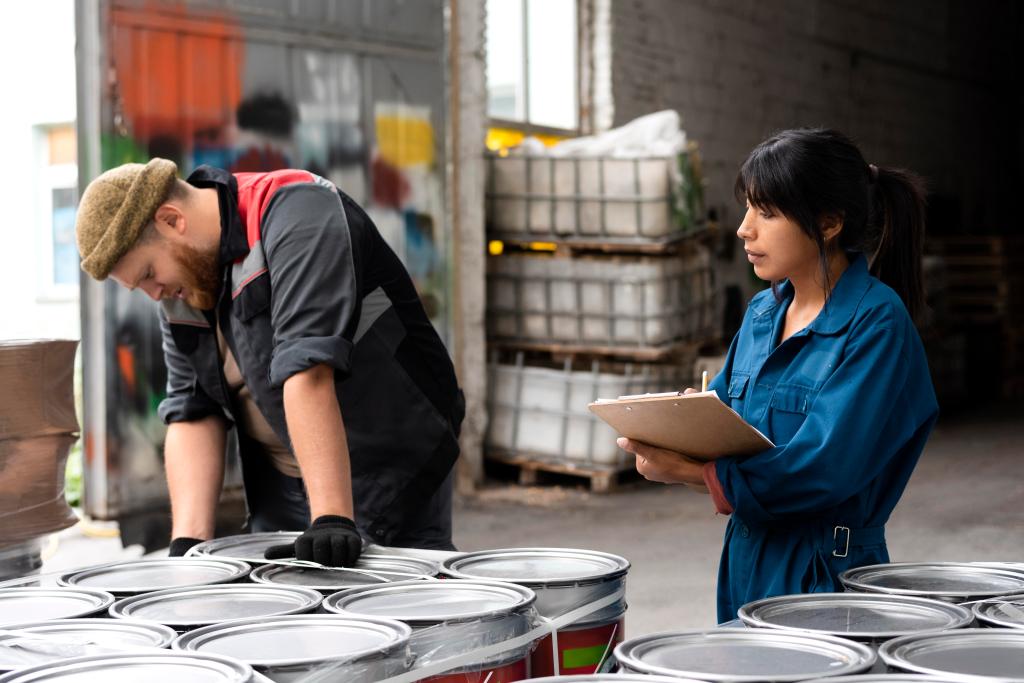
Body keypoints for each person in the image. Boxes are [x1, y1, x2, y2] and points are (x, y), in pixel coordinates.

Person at [75, 159, 464, 566]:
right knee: (284, 600)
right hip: (282, 481)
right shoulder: (184, 284)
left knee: (398, 592)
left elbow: (308, 368)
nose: (154, 294)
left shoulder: (299, 214)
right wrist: (187, 548)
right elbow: (193, 411)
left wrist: (331, 518)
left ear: (172, 220)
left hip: (390, 464)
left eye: (148, 273)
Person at [617, 128, 938, 622]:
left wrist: (692, 473)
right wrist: (676, 426)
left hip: (826, 574)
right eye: (748, 208)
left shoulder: (876, 323)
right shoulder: (762, 314)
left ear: (828, 223)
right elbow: (723, 421)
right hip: (746, 556)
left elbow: (823, 470)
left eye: (766, 213)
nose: (744, 229)